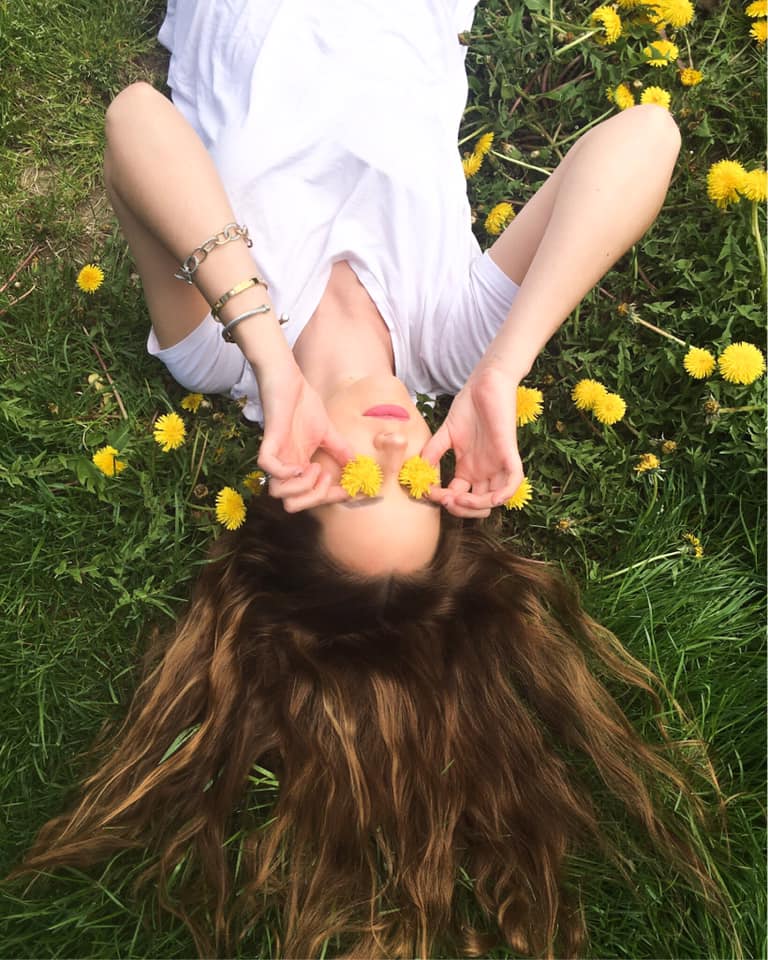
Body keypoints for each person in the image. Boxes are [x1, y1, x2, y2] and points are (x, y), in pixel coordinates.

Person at [10, 1, 732, 957]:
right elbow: (649, 134)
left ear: (289, 487)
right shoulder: (451, 337)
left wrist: (268, 354)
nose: (394, 451)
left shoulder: (221, 357)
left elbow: (136, 118)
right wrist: (506, 368)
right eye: (417, 487)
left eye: (358, 483)